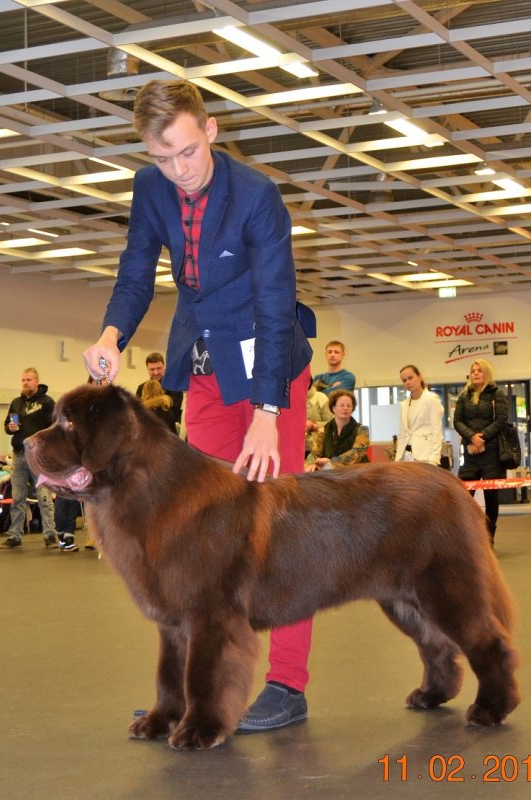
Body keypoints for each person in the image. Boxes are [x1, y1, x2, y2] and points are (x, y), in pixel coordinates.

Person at [82, 79, 314, 733]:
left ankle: (287, 686)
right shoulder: (150, 188)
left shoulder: (257, 198)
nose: (178, 172)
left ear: (209, 131)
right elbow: (135, 270)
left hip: (271, 374)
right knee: (198, 536)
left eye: (187, 152)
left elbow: (274, 306)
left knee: (280, 532)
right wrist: (111, 336)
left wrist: (269, 411)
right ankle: (200, 689)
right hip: (207, 373)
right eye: (163, 158)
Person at [0, 368, 60, 550]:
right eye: (23, 380)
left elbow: (55, 426)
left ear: (37, 381)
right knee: (17, 498)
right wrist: (9, 427)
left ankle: (50, 536)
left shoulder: (47, 403)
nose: (25, 383)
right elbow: (7, 426)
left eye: (29, 380)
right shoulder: (16, 403)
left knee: (44, 497)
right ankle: (15, 536)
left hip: (39, 456)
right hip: (18, 455)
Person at [453, 359, 509, 545]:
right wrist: (472, 438)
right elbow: (457, 422)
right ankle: (467, 536)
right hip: (470, 452)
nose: (476, 373)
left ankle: (489, 539)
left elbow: (501, 420)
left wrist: (482, 437)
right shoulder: (463, 396)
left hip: (492, 453)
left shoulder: (497, 394)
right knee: (465, 495)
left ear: (487, 373)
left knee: (491, 497)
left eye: (479, 370)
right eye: (473, 370)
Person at [305, 390, 370, 471]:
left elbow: (356, 453)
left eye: (349, 405)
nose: (345, 408)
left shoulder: (362, 430)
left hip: (357, 473)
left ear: (352, 408)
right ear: (333, 408)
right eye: (342, 405)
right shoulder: (323, 430)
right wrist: (311, 463)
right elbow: (315, 453)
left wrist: (331, 463)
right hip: (331, 473)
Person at [394, 364, 444, 466]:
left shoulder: (431, 399)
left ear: (420, 377)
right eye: (404, 380)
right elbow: (402, 433)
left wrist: (433, 459)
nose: (408, 382)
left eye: (410, 378)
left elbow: (437, 432)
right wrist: (398, 459)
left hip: (426, 457)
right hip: (406, 457)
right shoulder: (404, 404)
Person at [135, 351, 183, 431]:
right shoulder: (141, 388)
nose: (156, 372)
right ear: (147, 369)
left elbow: (175, 413)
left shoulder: (174, 387)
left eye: (159, 368)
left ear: (164, 366)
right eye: (152, 369)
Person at [305, 378, 333, 456]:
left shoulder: (321, 397)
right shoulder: (292, 398)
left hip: (318, 448)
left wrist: (314, 425)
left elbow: (332, 423)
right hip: (296, 447)